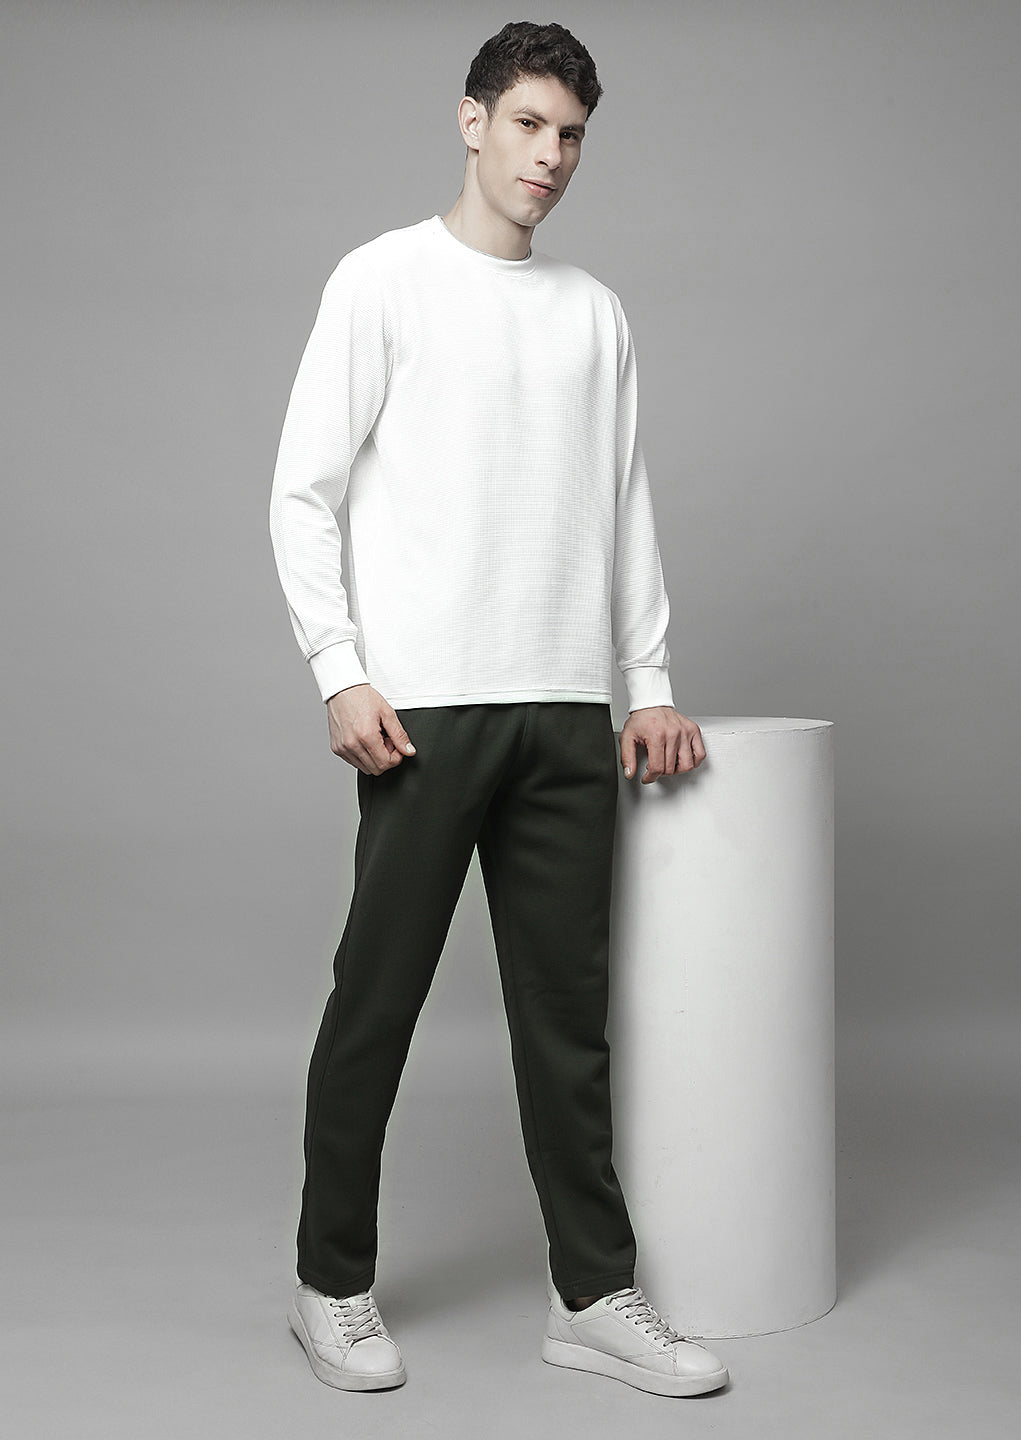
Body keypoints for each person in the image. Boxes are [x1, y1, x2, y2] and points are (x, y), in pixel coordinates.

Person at [269, 20, 729, 1399]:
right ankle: (330, 1285)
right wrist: (340, 667)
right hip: (425, 712)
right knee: (377, 1005)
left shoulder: (595, 313)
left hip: (565, 710)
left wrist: (648, 686)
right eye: (528, 123)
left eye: (571, 134)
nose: (551, 156)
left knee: (567, 1026)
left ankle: (593, 1294)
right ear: (471, 121)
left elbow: (622, 503)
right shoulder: (382, 280)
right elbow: (302, 490)